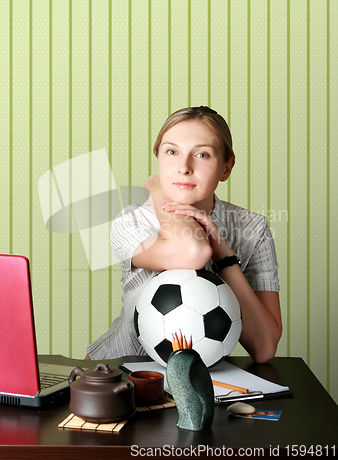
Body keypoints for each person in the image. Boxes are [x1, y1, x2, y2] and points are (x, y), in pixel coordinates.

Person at [86, 106, 282, 363]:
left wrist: (225, 255)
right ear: (158, 159)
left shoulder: (252, 229)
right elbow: (193, 252)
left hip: (205, 382)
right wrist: (158, 192)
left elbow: (264, 347)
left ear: (226, 168)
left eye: (202, 154)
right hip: (121, 374)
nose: (184, 167)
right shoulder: (132, 221)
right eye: (171, 152)